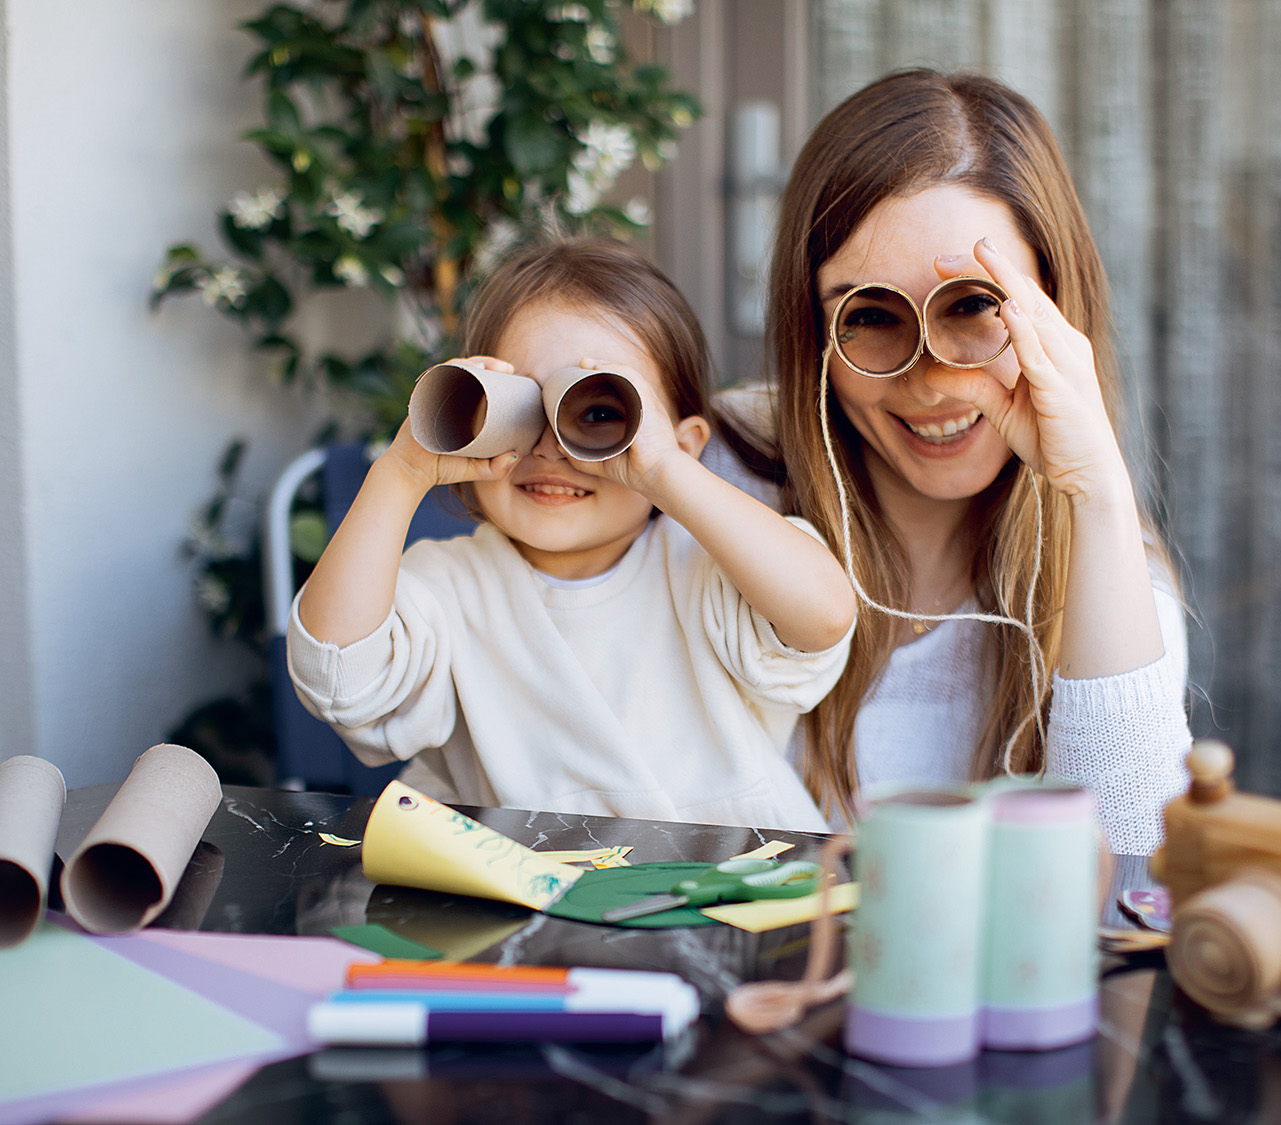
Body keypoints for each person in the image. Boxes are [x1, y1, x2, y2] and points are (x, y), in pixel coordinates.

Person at [712, 69, 1191, 854]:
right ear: (812, 335)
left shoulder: (1108, 571)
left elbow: (1135, 867)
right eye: (870, 316)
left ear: (1057, 307)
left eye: (972, 306)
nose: (931, 377)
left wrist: (1096, 492)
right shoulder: (720, 491)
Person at [287, 238, 856, 832]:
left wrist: (665, 471)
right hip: (526, 900)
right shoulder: (448, 587)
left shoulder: (706, 573)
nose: (550, 446)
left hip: (724, 892)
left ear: (683, 445)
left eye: (601, 411)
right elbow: (338, 678)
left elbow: (822, 616)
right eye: (521, 409)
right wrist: (401, 473)